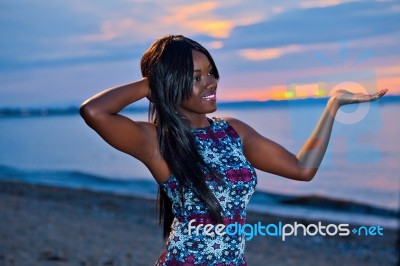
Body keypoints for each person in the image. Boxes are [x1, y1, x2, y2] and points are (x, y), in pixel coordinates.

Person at [80, 35, 387, 265]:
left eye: (211, 72)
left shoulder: (232, 131)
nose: (210, 82)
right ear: (169, 82)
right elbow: (94, 112)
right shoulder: (156, 140)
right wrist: (154, 84)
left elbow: (301, 169)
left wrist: (332, 108)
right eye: (195, 77)